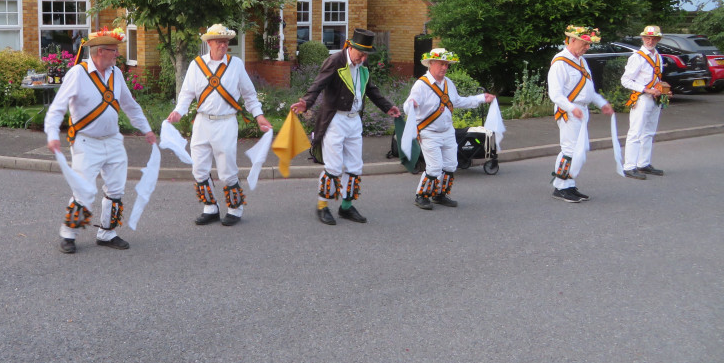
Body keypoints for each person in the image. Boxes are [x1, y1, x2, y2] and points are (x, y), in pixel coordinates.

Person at [45, 28, 157, 254]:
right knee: (84, 191)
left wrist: (146, 128)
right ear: (99, 52)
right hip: (86, 142)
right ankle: (69, 233)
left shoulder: (116, 73)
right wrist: (52, 134)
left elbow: (129, 104)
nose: (117, 54)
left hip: (113, 141)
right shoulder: (78, 73)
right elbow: (57, 107)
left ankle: (107, 232)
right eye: (113, 50)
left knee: (116, 189)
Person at [290, 28, 400, 225]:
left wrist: (387, 107)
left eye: (366, 55)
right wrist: (306, 102)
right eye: (360, 54)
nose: (363, 58)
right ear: (350, 47)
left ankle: (346, 207)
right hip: (335, 119)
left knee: (355, 166)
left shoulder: (362, 66)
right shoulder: (335, 61)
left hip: (354, 120)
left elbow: (370, 90)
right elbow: (318, 84)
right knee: (333, 166)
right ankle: (322, 206)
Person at [167, 24, 272, 226]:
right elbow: (187, 93)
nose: (223, 45)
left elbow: (249, 95)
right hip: (202, 122)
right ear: (209, 43)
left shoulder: (236, 65)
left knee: (227, 170)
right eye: (219, 41)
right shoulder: (196, 65)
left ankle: (235, 208)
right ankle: (210, 207)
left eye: (225, 41)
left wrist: (259, 116)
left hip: (226, 122)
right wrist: (179, 111)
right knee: (198, 168)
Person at [405, 48, 495, 209]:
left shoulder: (448, 83)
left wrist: (482, 98)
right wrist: (411, 105)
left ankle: (440, 195)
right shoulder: (421, 85)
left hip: (447, 132)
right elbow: (409, 103)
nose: (445, 67)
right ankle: (421, 195)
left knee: (451, 165)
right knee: (434, 167)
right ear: (431, 63)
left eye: (446, 64)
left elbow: (458, 101)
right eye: (441, 64)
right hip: (428, 132)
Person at [548, 25, 614, 203]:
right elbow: (555, 94)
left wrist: (602, 103)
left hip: (581, 110)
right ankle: (560, 187)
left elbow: (589, 90)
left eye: (589, 44)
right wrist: (571, 108)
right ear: (572, 40)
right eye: (585, 44)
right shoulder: (560, 62)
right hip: (569, 111)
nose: (587, 47)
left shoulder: (581, 61)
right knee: (570, 149)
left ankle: (569, 184)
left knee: (580, 149)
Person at [621, 25, 668, 179]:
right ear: (642, 38)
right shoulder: (637, 57)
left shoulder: (658, 56)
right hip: (642, 98)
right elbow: (625, 81)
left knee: (649, 132)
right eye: (647, 38)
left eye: (654, 38)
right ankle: (629, 166)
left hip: (655, 98)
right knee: (635, 132)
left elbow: (656, 78)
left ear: (658, 39)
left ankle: (643, 163)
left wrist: (664, 90)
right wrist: (646, 90)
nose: (650, 40)